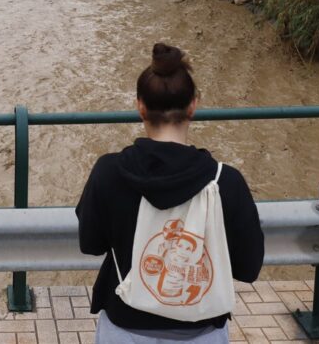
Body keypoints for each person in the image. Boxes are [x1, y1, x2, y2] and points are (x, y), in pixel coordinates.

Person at [77, 43, 264, 343]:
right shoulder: (226, 182)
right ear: (193, 105)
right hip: (202, 332)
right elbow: (248, 267)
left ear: (140, 107)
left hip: (125, 328)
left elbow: (90, 244)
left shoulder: (109, 173)